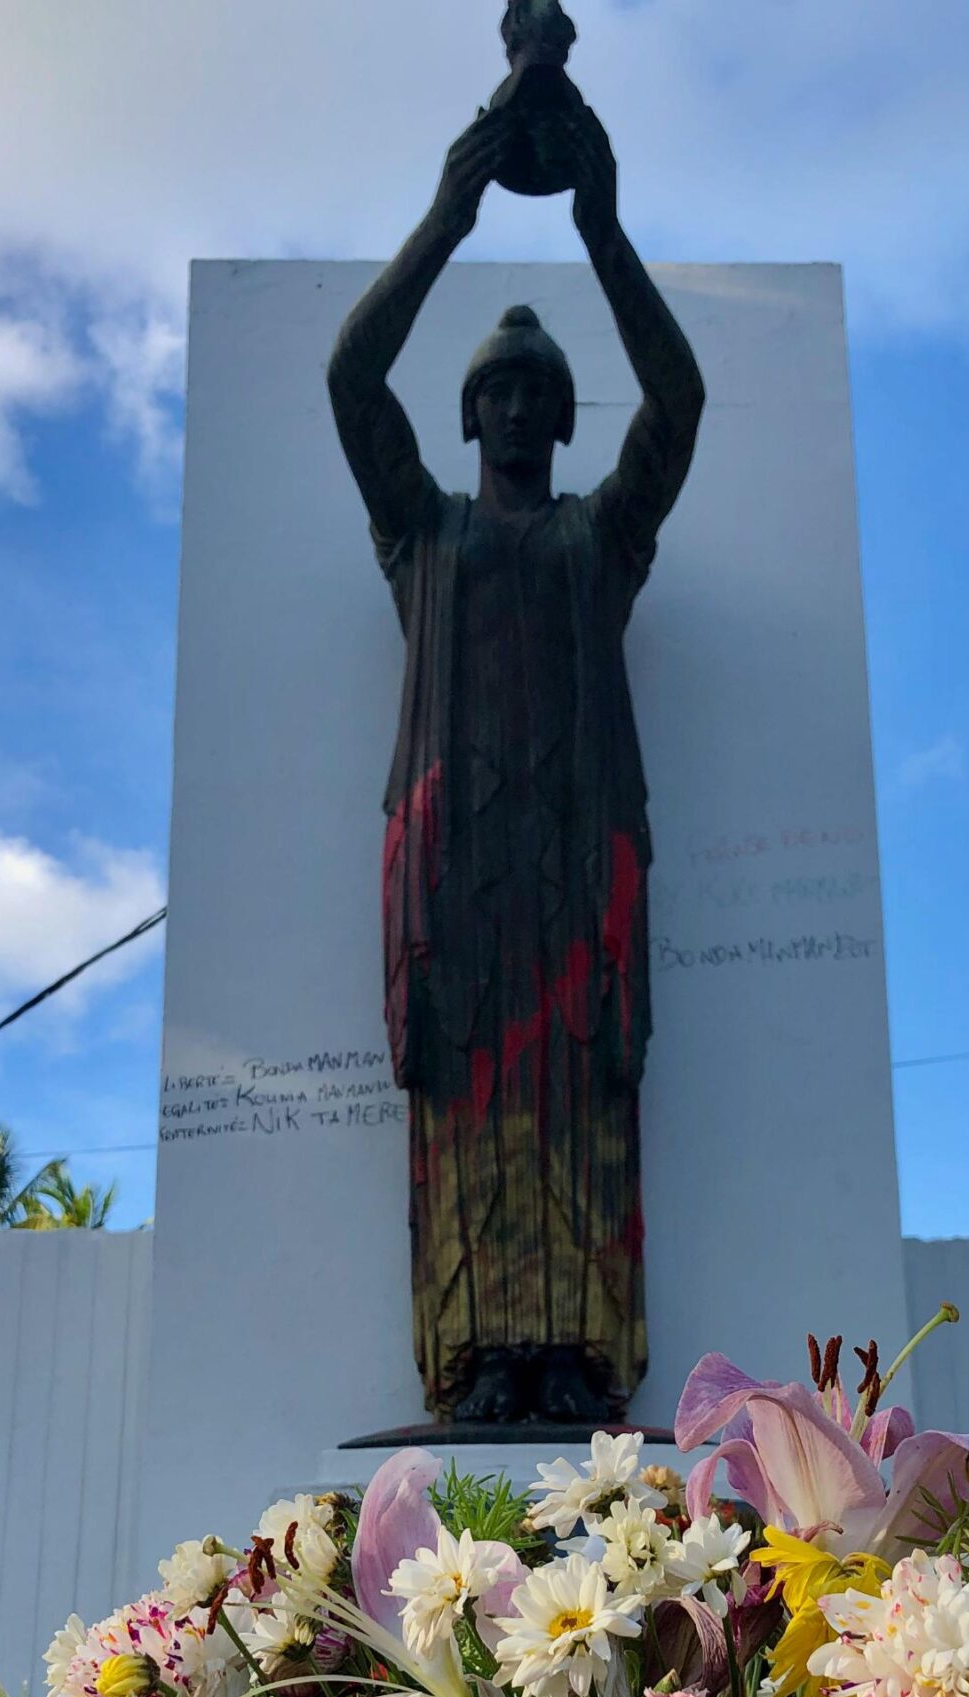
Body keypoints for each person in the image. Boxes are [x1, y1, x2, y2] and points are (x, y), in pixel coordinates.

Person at [328, 97, 704, 1427]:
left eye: (537, 394)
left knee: (585, 1098)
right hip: (453, 868)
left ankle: (578, 1358)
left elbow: (681, 398)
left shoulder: (603, 541)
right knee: (470, 1111)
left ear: (561, 419)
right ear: (469, 411)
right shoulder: (421, 540)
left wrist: (601, 225)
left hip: (579, 860)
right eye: (493, 390)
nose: (513, 408)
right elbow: (349, 381)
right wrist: (450, 218)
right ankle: (479, 1356)